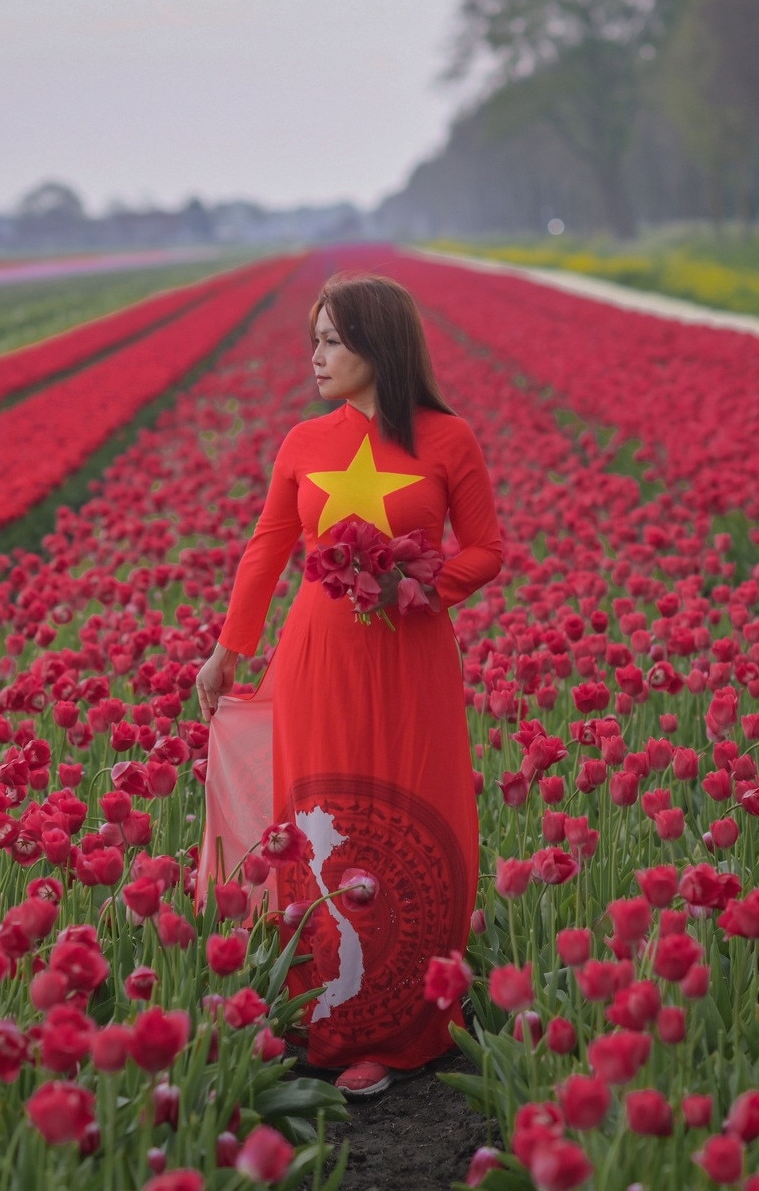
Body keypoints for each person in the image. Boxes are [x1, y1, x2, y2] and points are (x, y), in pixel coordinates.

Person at [194, 271, 502, 1097]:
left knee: (419, 815)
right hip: (319, 657)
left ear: (378, 344)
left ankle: (411, 1025)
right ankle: (327, 1018)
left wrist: (416, 585)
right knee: (324, 826)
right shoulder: (303, 441)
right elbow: (266, 548)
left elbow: (486, 551)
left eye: (332, 341)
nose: (317, 358)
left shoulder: (448, 440)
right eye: (314, 341)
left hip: (412, 658)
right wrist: (229, 648)